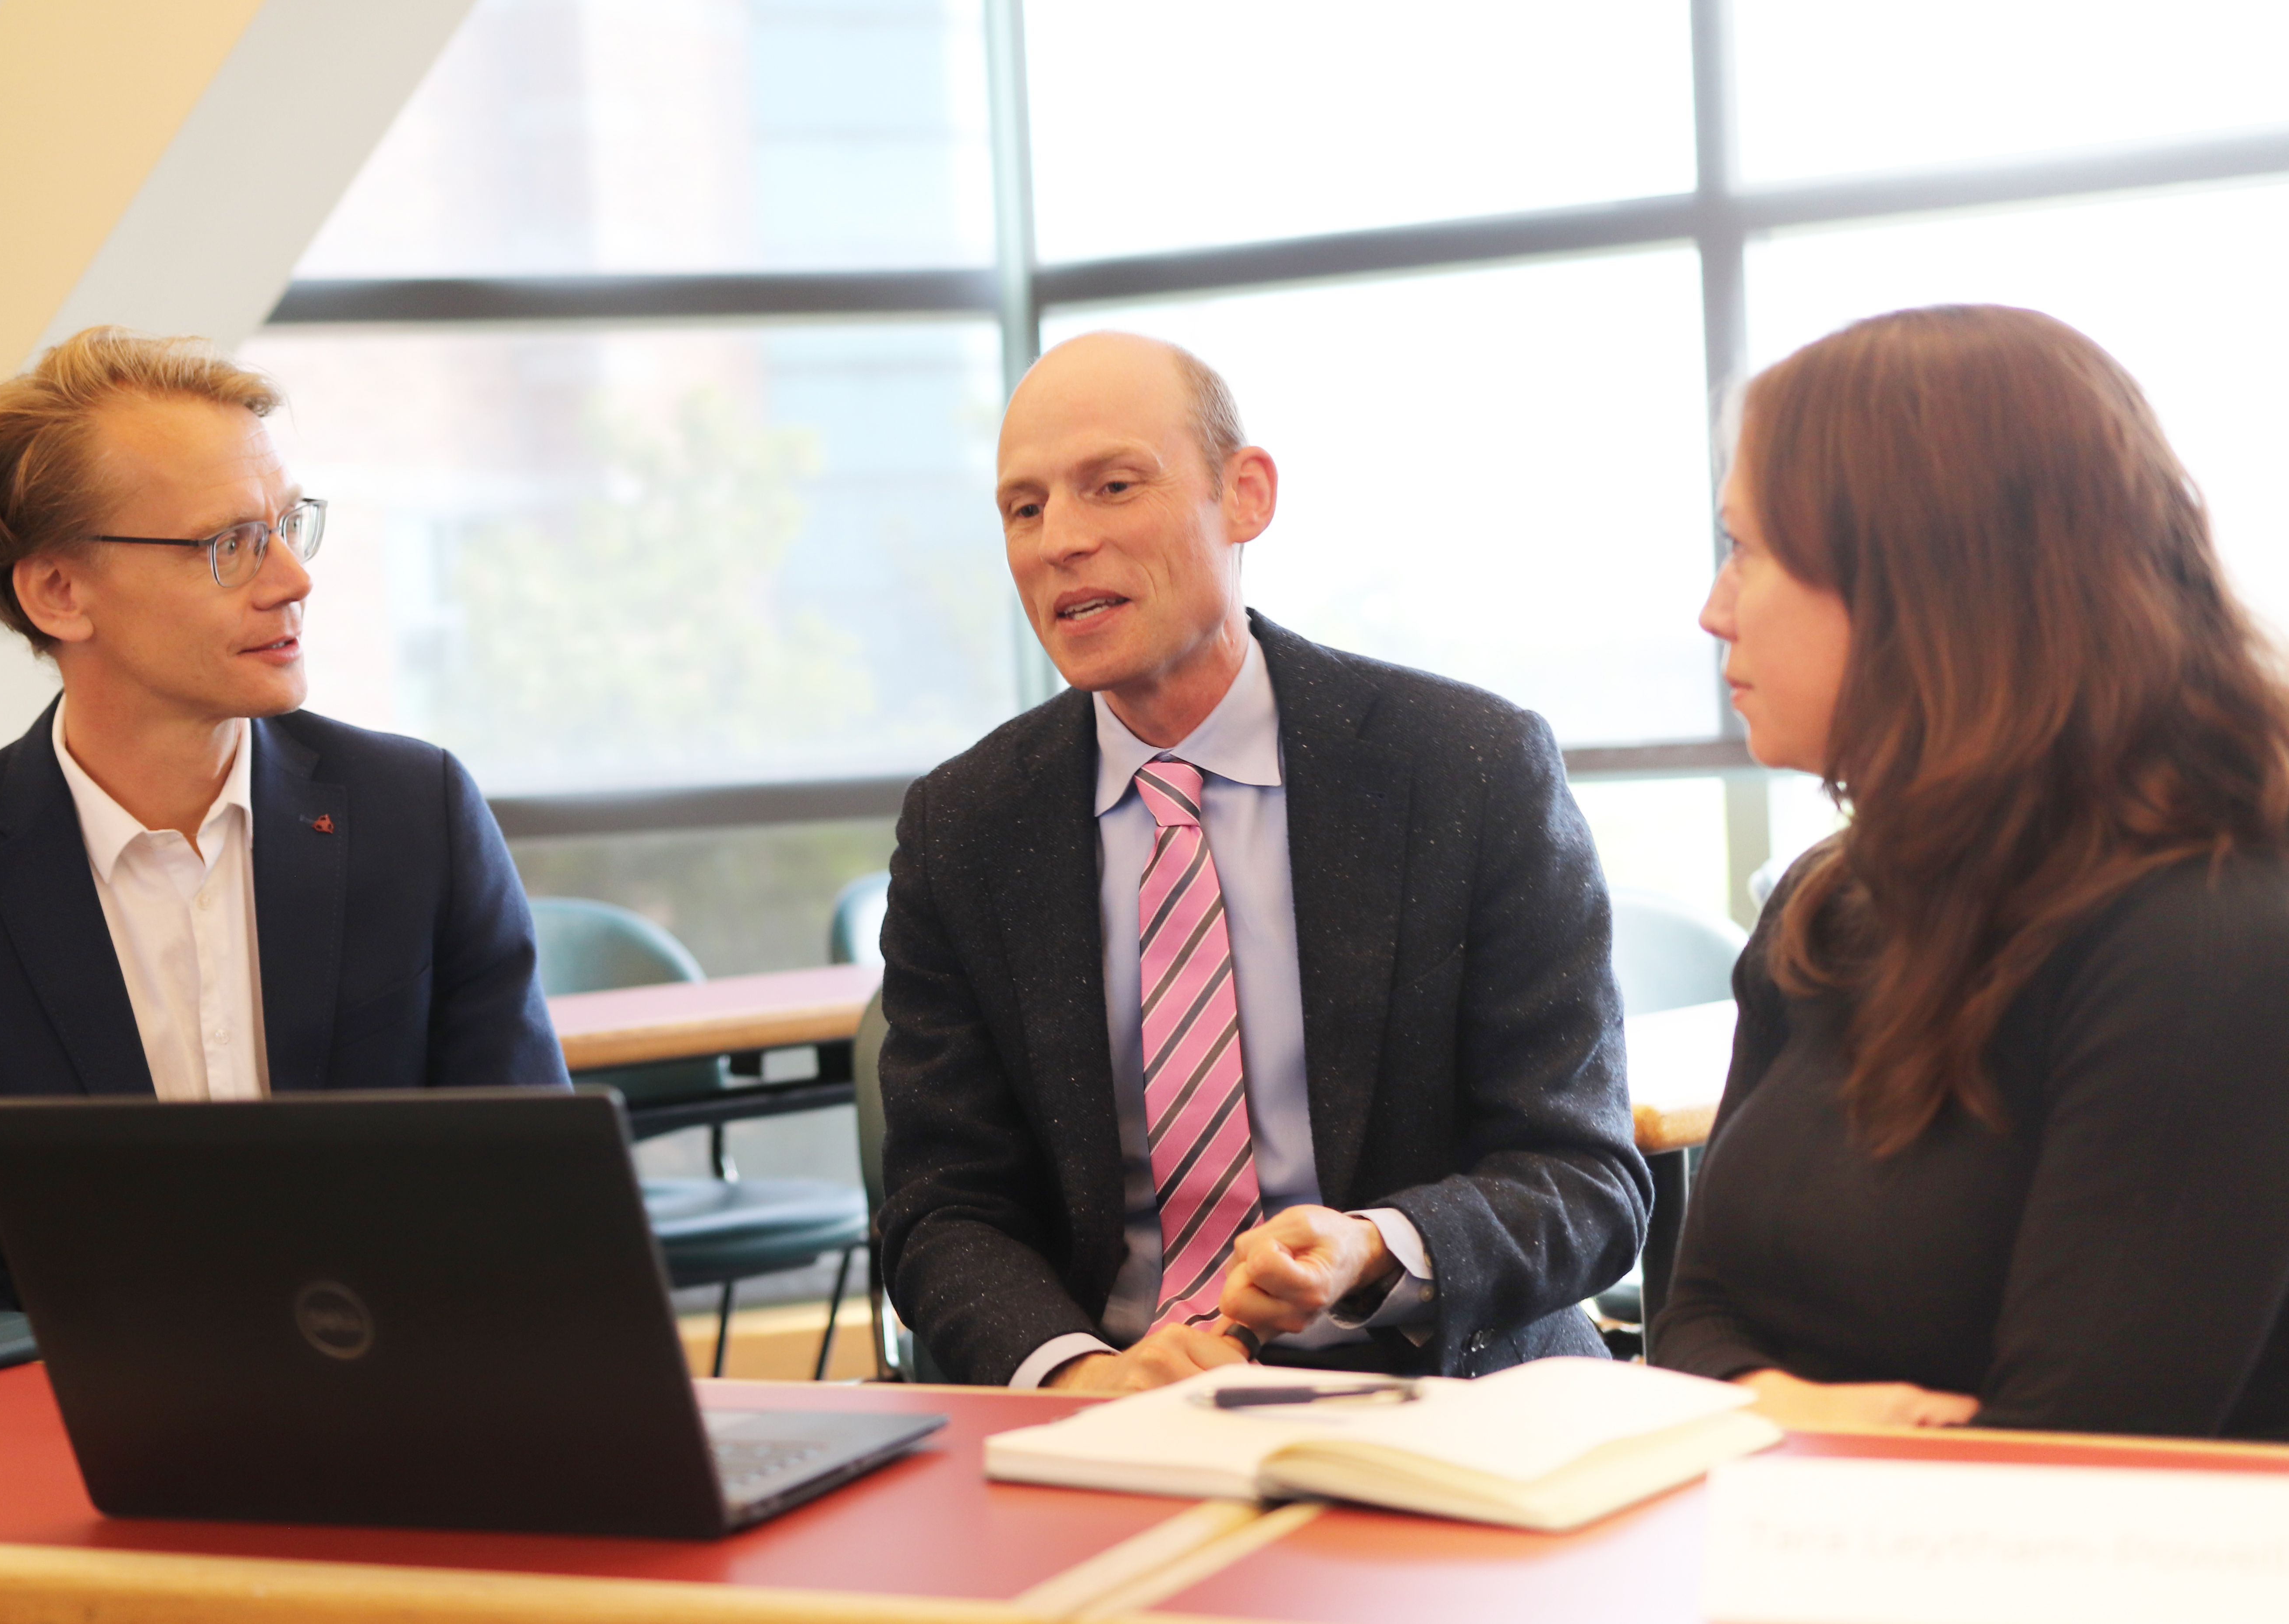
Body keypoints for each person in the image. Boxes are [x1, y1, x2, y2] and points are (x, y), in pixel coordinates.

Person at [875, 331, 1649, 1390]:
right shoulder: (965, 826)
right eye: (1025, 507)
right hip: (1113, 1404)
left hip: (1439, 1394)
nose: (1061, 540)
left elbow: (1585, 1176)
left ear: (1246, 495)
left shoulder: (1468, 768)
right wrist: (1069, 1371)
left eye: (1111, 486)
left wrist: (1379, 1248)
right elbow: (942, 1205)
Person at [1656, 304, 2289, 1438]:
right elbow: (1693, 1316)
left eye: (1749, 550)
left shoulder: (2215, 936)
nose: (1713, 610)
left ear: (1925, 578)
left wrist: (1768, 1416)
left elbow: (2083, 1453)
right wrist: (1797, 1410)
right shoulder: (1828, 901)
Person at [0, 327, 568, 1314]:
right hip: (87, 1445)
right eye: (229, 544)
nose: (292, 579)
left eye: (287, 524)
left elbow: (533, 1202)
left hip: (416, 1420)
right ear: (60, 592)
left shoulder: (418, 815)